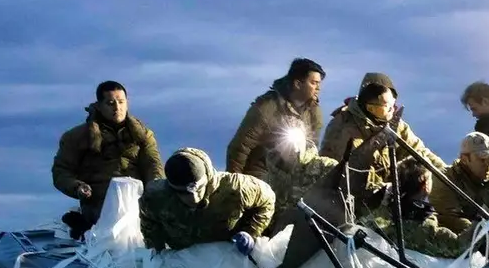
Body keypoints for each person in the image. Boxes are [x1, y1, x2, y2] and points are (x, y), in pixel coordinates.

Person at [52, 81, 164, 237]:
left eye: (121, 102)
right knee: (111, 231)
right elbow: (61, 171)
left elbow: (153, 166)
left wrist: (156, 187)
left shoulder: (143, 135)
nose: (117, 107)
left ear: (127, 103)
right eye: (110, 103)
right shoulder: (76, 137)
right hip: (99, 203)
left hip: (137, 203)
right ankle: (84, 226)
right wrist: (77, 187)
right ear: (99, 105)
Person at [320, 73, 444, 212]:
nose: (393, 109)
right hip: (352, 205)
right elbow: (351, 176)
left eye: (394, 103)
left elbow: (419, 152)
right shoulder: (343, 129)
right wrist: (391, 193)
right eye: (387, 105)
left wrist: (446, 174)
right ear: (370, 107)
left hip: (387, 196)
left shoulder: (394, 124)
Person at [139, 147, 276, 254]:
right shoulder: (156, 197)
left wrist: (250, 232)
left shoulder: (236, 188)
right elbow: (149, 222)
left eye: (199, 190)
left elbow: (268, 200)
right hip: (185, 259)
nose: (194, 198)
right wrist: (157, 251)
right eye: (184, 194)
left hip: (229, 255)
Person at [225, 58, 325, 178]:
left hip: (292, 180)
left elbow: (312, 151)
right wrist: (235, 184)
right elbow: (240, 147)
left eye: (319, 83)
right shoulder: (267, 108)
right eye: (313, 83)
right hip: (260, 175)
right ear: (298, 84)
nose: (318, 88)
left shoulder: (314, 113)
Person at [430, 132, 489, 244]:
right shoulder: (445, 178)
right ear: (464, 159)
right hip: (460, 243)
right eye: (482, 159)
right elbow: (450, 217)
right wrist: (482, 235)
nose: (488, 164)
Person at [368, 159, 465, 259]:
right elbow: (459, 247)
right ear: (425, 186)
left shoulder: (378, 204)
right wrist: (478, 226)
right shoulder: (424, 228)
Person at [262, 134, 339, 236]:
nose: (291, 146)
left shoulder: (326, 166)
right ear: (277, 146)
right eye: (282, 141)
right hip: (285, 242)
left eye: (294, 139)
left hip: (324, 233)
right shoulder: (269, 181)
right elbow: (266, 216)